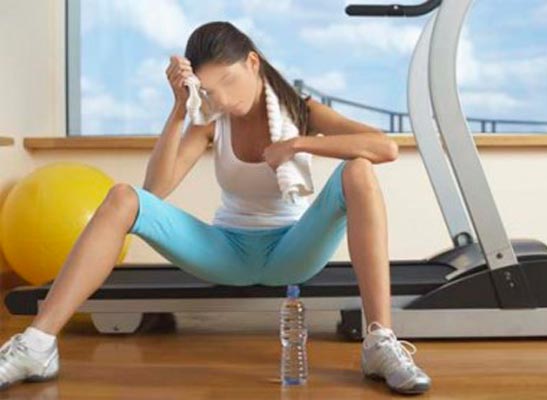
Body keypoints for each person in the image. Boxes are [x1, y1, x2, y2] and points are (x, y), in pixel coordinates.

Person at [0, 21, 431, 395]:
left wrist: (298, 144)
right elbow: (154, 192)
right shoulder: (210, 122)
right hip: (226, 251)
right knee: (123, 197)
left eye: (227, 80)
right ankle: (37, 345)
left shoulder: (301, 111)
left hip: (293, 250)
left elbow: (385, 147)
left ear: (252, 63)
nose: (221, 97)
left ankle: (379, 342)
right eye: (209, 89)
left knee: (359, 168)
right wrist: (178, 110)